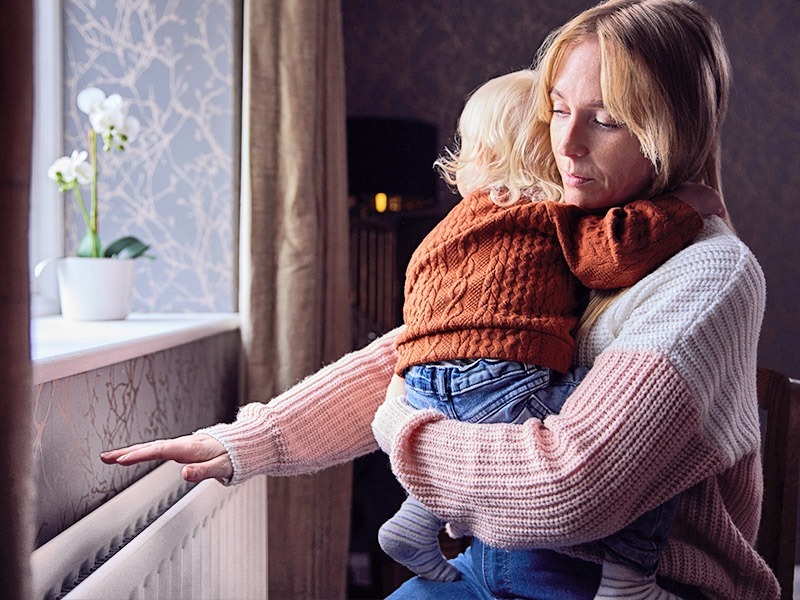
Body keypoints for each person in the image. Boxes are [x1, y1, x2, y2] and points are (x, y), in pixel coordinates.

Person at [101, 1, 779, 598]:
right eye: (557, 110)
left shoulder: (708, 274)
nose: (566, 144)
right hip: (492, 568)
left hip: (629, 587)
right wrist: (244, 442)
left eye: (604, 121)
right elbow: (423, 355)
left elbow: (568, 487)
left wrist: (401, 428)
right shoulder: (568, 228)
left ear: (672, 132)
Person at [376, 67, 714, 599]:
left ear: (479, 156)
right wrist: (686, 207)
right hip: (499, 379)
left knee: (469, 422)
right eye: (560, 116)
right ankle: (630, 576)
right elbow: (615, 254)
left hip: (420, 383)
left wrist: (405, 391)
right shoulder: (547, 214)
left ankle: (416, 518)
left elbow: (419, 313)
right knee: (650, 439)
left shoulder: (445, 231)